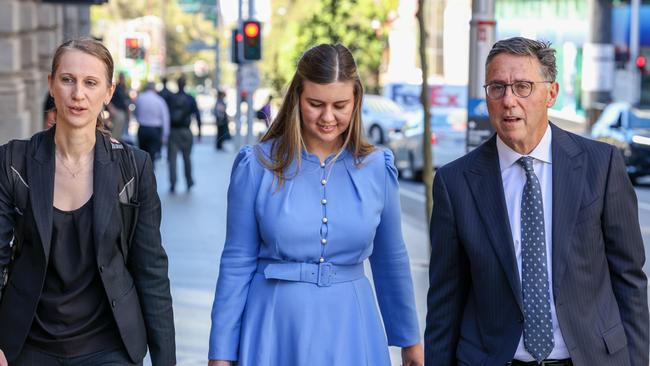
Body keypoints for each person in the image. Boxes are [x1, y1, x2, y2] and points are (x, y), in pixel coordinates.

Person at [425, 37, 649, 366]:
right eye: (497, 87)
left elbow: (629, 280)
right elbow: (445, 302)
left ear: (552, 93)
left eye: (523, 86)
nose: (508, 100)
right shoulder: (455, 183)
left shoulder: (600, 166)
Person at [207, 43, 423, 366]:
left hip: (352, 328)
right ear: (297, 99)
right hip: (274, 327)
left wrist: (410, 342)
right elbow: (237, 261)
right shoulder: (256, 165)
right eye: (315, 104)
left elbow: (391, 259)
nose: (328, 117)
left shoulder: (379, 167)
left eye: (340, 105)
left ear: (356, 101)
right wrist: (221, 353)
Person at [0, 38, 176, 366]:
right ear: (51, 84)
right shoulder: (13, 161)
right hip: (28, 344)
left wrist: (166, 361)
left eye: (90, 83)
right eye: (67, 80)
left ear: (108, 92)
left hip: (110, 346)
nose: (78, 94)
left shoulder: (134, 168)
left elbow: (151, 270)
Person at [167, 76, 201, 193]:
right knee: (187, 158)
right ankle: (189, 181)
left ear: (177, 84)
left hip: (173, 131)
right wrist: (199, 132)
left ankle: (173, 183)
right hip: (186, 131)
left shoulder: (171, 98)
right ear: (185, 84)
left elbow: (166, 115)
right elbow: (197, 115)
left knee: (172, 159)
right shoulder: (190, 99)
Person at [135, 81, 170, 162]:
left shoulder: (140, 98)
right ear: (154, 89)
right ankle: (150, 172)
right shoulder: (159, 100)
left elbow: (136, 112)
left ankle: (143, 173)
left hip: (142, 128)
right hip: (154, 130)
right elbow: (165, 118)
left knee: (141, 155)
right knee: (152, 156)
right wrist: (165, 135)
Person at [107, 72, 130, 140]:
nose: (122, 79)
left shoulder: (124, 88)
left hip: (123, 112)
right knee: (115, 133)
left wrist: (128, 113)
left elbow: (127, 102)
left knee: (120, 132)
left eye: (123, 77)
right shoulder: (116, 87)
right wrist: (111, 108)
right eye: (121, 77)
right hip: (117, 111)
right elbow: (109, 98)